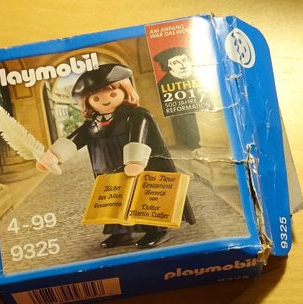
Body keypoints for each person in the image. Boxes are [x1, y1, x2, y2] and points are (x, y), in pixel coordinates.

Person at [37, 63, 194, 249]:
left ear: (125, 91)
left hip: (139, 166)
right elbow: (75, 139)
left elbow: (139, 135)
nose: (104, 101)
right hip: (108, 167)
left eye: (112, 94)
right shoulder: (93, 124)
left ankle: (157, 229)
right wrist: (54, 155)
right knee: (114, 198)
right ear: (88, 102)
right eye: (96, 98)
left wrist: (135, 160)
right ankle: (122, 232)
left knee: (145, 196)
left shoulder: (137, 115)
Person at [153, 46, 202, 150]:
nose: (182, 65)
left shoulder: (200, 76)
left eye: (184, 60)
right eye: (176, 63)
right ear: (168, 66)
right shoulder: (163, 84)